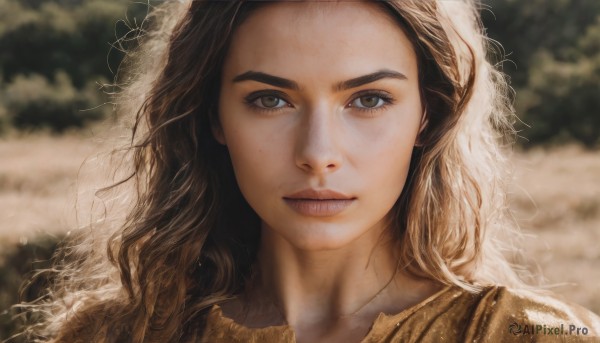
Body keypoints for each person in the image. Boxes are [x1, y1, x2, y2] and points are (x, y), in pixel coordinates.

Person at [19, 0, 600, 342]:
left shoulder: (536, 336)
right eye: (270, 100)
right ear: (212, 116)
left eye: (368, 99)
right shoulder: (112, 335)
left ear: (428, 114)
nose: (318, 153)